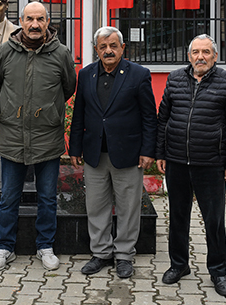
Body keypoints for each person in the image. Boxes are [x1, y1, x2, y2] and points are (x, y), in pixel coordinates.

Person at [155, 34, 226, 297]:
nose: (200, 57)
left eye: (206, 52)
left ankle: (218, 271)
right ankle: (178, 265)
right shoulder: (174, 79)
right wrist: (160, 152)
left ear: (215, 56)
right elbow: (163, 119)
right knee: (177, 216)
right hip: (176, 162)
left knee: (214, 221)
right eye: (195, 52)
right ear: (189, 56)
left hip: (211, 164)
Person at [0, 2, 77, 272]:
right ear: (21, 21)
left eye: (40, 19)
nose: (35, 24)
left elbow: (68, 87)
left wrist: (47, 111)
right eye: (30, 19)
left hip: (47, 137)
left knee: (47, 197)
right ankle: (5, 247)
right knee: (8, 198)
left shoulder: (61, 53)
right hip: (12, 136)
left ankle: (45, 246)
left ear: (48, 22)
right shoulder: (5, 50)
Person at [69, 26, 156, 279]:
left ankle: (125, 255)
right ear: (96, 49)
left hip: (128, 153)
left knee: (129, 207)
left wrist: (147, 150)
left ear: (122, 48)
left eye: (113, 45)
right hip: (94, 154)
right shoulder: (85, 75)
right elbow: (79, 114)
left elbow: (149, 117)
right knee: (96, 205)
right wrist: (75, 147)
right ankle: (101, 253)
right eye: (103, 46)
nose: (108, 50)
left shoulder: (139, 75)